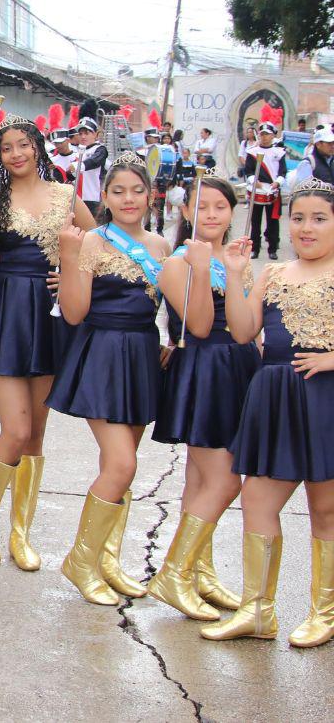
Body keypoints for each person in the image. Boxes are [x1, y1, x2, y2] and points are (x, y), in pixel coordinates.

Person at [0, 119, 95, 571]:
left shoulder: (65, 195)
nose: (16, 153)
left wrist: (72, 269)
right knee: (14, 431)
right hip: (2, 315)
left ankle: (20, 533)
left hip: (50, 317)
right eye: (7, 147)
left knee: (35, 433)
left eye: (24, 145)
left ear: (38, 148)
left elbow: (101, 244)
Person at [201, 178, 334, 647]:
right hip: (275, 394)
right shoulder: (274, 272)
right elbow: (241, 331)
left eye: (319, 218)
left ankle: (325, 611)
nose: (306, 227)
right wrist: (236, 275)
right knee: (257, 499)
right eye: (298, 218)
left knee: (326, 508)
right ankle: (258, 611)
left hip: (326, 397)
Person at [51, 153, 171, 606]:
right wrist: (68, 257)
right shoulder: (93, 242)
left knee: (117, 467)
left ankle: (108, 559)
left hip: (141, 357)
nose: (128, 199)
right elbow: (75, 313)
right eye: (118, 191)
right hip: (101, 353)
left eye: (136, 190)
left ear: (150, 195)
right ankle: (81, 560)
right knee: (122, 464)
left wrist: (173, 339)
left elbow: (170, 305)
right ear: (105, 196)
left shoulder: (161, 246)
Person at [148, 175, 255, 620]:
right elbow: (200, 326)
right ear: (186, 212)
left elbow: (248, 322)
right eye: (202, 207)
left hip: (238, 367)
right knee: (226, 479)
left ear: (232, 212)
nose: (211, 215)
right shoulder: (177, 262)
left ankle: (198, 571)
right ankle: (173, 573)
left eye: (220, 207)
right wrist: (197, 267)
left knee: (198, 480)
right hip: (205, 369)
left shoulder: (235, 259)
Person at [243, 116, 287, 259]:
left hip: (272, 191)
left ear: (273, 135)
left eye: (267, 134)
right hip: (257, 190)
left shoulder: (279, 152)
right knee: (255, 222)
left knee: (273, 222)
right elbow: (248, 170)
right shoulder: (252, 152)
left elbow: (283, 171)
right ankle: (254, 248)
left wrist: (277, 183)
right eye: (262, 134)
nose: (264, 137)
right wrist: (254, 181)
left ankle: (272, 249)